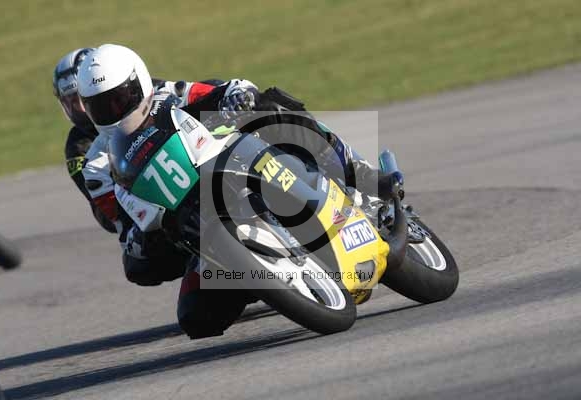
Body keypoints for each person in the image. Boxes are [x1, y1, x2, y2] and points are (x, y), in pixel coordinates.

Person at [77, 43, 397, 339]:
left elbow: (223, 89)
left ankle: (356, 172)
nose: (114, 111)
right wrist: (138, 241)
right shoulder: (96, 166)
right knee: (195, 319)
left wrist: (236, 96)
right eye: (101, 107)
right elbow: (123, 226)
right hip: (195, 228)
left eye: (120, 98)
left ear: (140, 83)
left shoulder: (169, 94)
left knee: (271, 104)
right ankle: (260, 278)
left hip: (231, 167)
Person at [54, 48, 223, 234]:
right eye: (72, 102)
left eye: (117, 98)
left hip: (197, 161)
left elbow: (195, 92)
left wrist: (229, 97)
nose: (78, 109)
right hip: (152, 202)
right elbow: (110, 215)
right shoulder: (83, 151)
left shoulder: (151, 90)